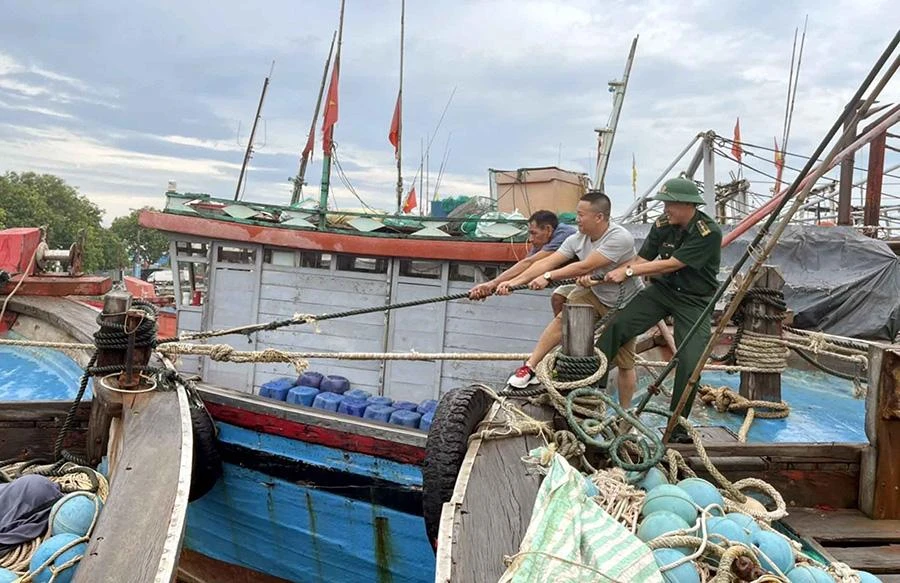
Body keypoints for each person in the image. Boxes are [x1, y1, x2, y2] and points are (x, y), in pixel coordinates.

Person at [599, 177, 722, 441]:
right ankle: (590, 389)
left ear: (688, 205)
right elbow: (643, 258)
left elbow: (672, 264)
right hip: (662, 291)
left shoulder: (708, 232)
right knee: (618, 327)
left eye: (671, 204)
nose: (665, 209)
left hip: (695, 300)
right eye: (665, 203)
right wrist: (612, 272)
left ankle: (676, 428)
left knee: (690, 363)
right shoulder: (662, 224)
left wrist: (629, 270)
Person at [494, 191, 644, 407]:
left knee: (625, 362)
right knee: (563, 318)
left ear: (599, 217)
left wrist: (548, 277)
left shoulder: (619, 237)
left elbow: (586, 265)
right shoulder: (576, 239)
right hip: (594, 292)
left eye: (581, 215)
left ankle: (626, 414)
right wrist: (514, 283)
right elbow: (547, 262)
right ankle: (531, 367)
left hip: (624, 302)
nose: (577, 219)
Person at [469, 210, 576, 302]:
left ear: (548, 230)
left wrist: (510, 284)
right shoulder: (543, 241)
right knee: (558, 298)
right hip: (574, 278)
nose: (530, 239)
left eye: (534, 233)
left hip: (586, 275)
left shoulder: (564, 234)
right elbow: (527, 265)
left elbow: (534, 263)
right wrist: (491, 285)